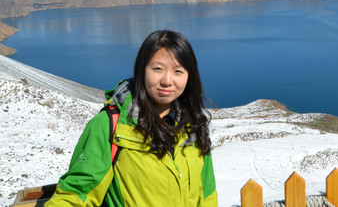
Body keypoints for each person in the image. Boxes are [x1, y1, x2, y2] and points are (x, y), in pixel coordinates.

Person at [45, 30, 218, 206]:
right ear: (142, 70)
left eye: (178, 71)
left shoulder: (194, 126)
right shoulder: (109, 126)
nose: (167, 80)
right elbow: (77, 194)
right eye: (158, 69)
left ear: (189, 76)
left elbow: (207, 195)